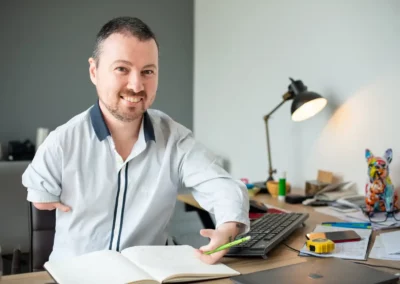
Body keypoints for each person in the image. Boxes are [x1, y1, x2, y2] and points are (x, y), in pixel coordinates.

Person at [22, 16, 249, 265]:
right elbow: (39, 196)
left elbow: (221, 185)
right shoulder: (61, 143)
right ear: (94, 71)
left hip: (150, 274)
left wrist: (228, 226)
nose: (136, 84)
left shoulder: (175, 138)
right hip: (77, 275)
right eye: (122, 69)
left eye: (148, 71)